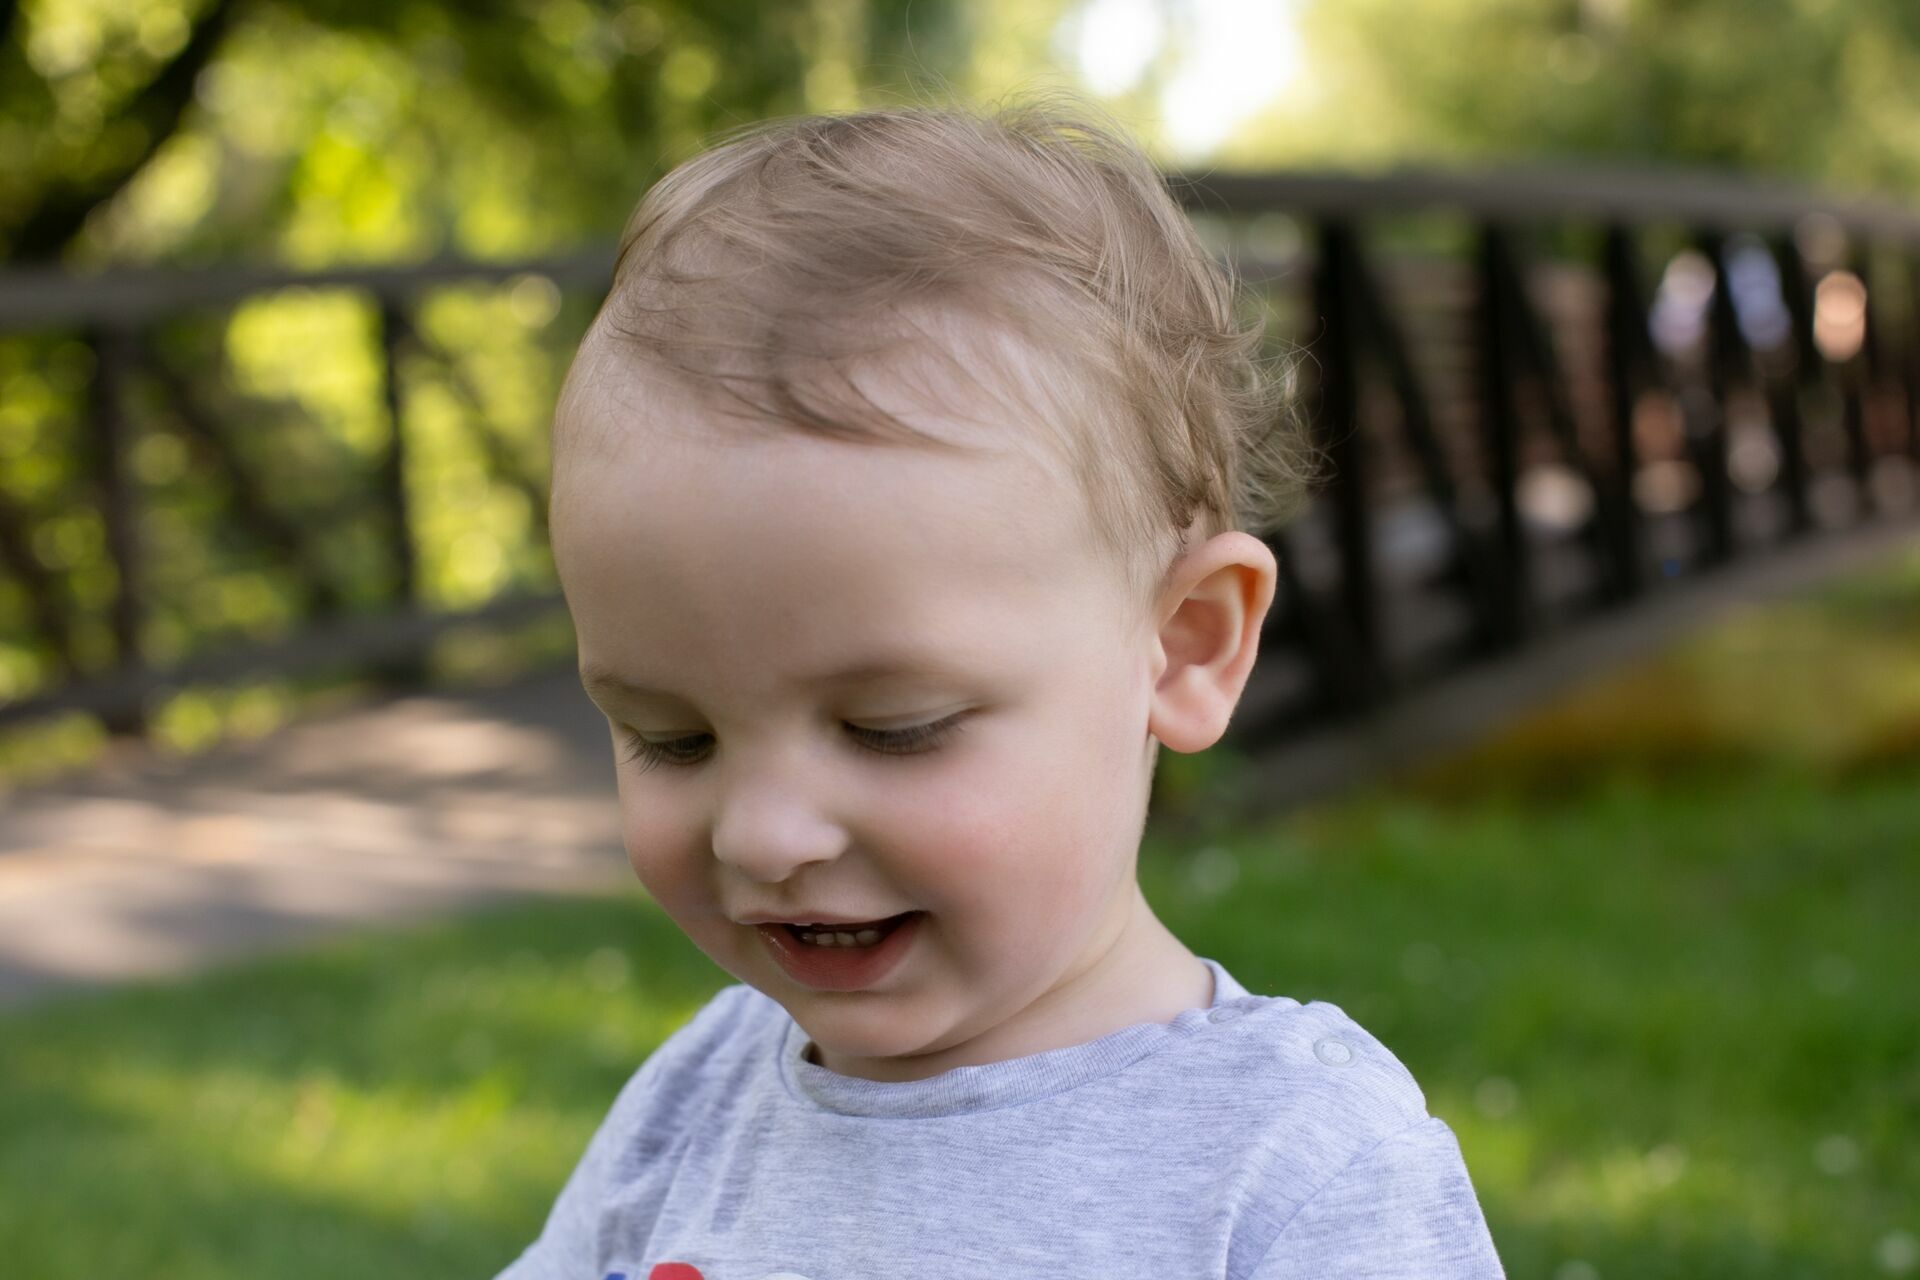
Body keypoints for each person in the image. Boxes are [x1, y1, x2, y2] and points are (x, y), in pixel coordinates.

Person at [497, 88, 1504, 1279]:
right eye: (671, 738)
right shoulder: (695, 1100)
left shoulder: (1288, 1162)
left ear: (1181, 647)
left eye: (892, 728)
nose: (765, 833)